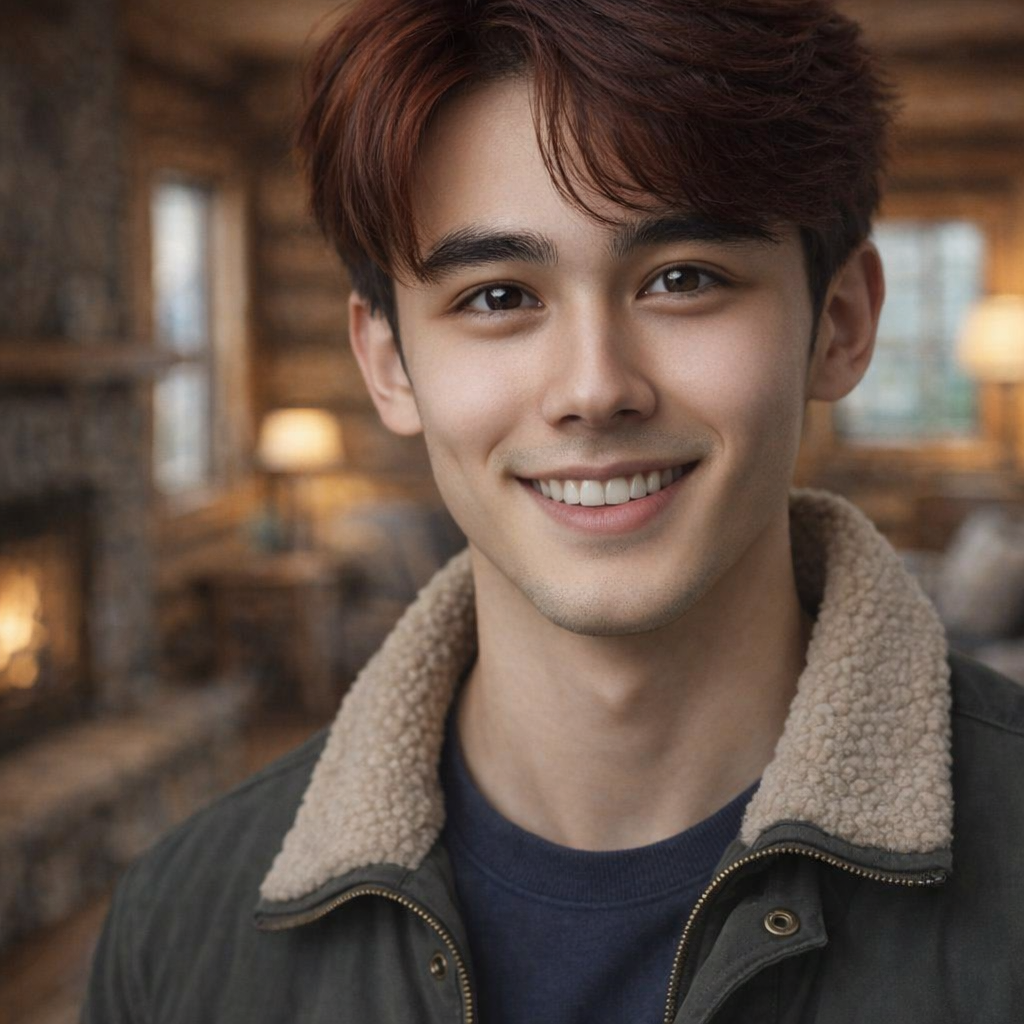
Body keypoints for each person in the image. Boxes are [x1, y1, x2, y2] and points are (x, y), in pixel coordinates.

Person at [84, 1, 1024, 1021]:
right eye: (497, 296)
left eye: (682, 278)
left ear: (839, 324)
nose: (594, 386)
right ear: (388, 362)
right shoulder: (179, 931)